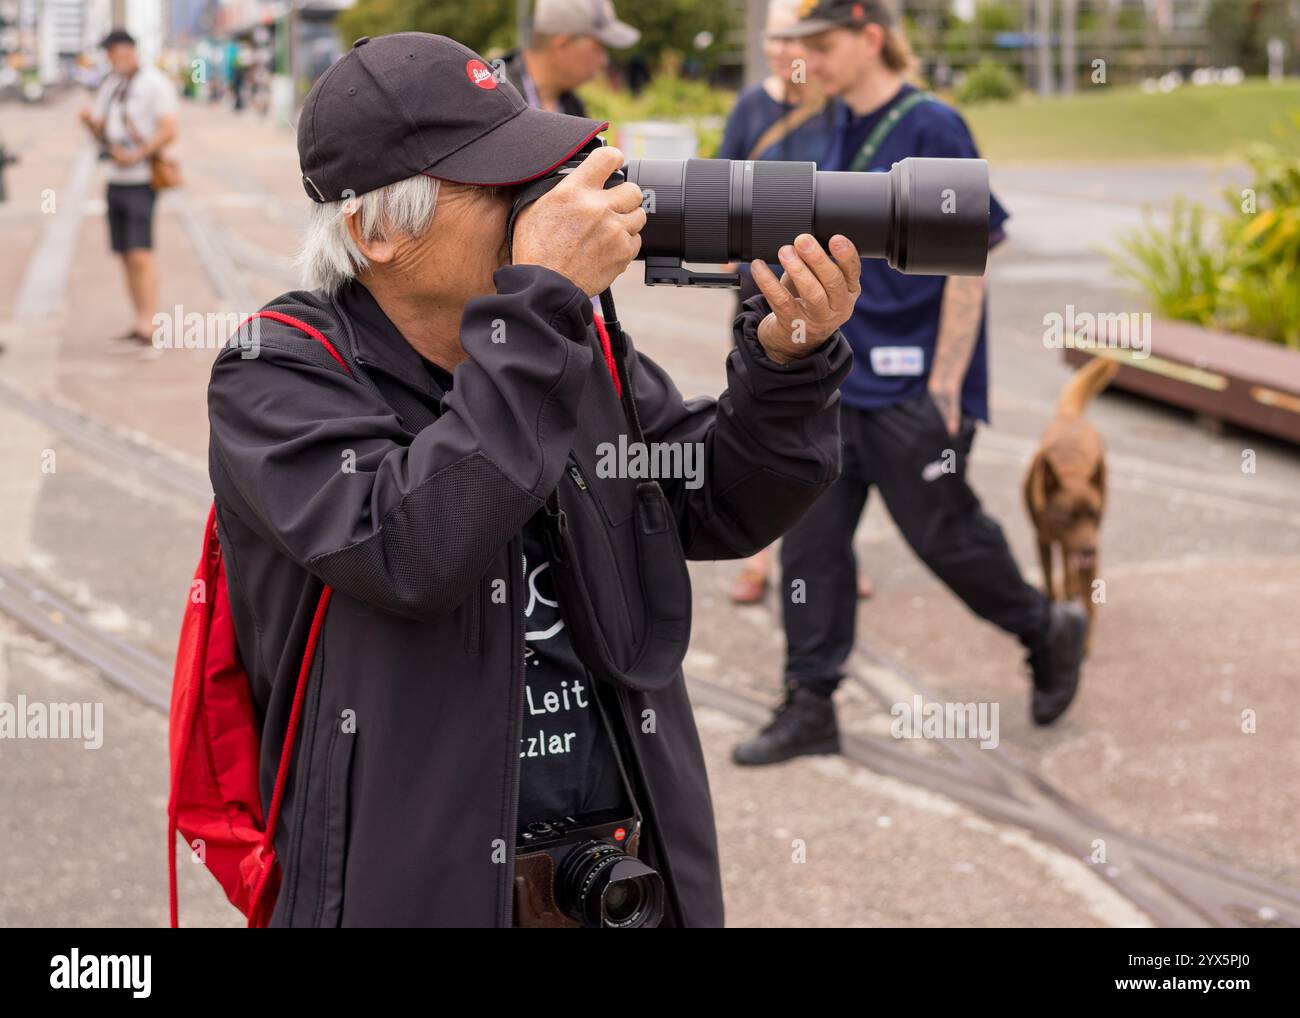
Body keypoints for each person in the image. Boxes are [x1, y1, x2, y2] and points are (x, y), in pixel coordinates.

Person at [206, 32, 859, 926]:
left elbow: (713, 501)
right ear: (376, 230)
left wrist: (786, 364)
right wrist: (542, 303)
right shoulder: (278, 371)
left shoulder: (561, 342)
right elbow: (408, 549)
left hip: (620, 867)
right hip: (419, 886)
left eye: (538, 175)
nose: (545, 203)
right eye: (503, 186)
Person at [732, 0, 1087, 768]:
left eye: (821, 46)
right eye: (800, 47)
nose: (808, 62)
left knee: (946, 539)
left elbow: (974, 248)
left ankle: (1044, 628)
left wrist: (948, 384)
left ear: (869, 38)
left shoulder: (933, 124)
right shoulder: (826, 125)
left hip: (909, 387)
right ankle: (810, 702)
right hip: (833, 381)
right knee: (813, 548)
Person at [717, 0, 869, 606]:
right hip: (760, 290)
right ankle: (756, 556)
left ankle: (826, 557)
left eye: (791, 39)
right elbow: (723, 175)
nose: (781, 51)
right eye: (774, 40)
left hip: (821, 291)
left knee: (819, 425)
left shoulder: (835, 110)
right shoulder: (752, 105)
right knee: (758, 412)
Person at [78, 29, 178, 347]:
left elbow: (169, 130)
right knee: (123, 253)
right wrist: (87, 124)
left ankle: (149, 322)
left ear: (128, 51)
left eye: (113, 52)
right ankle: (138, 319)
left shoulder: (154, 83)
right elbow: (101, 131)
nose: (110, 58)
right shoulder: (111, 84)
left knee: (140, 253)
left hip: (141, 180)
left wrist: (135, 155)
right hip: (115, 179)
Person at [499, 0, 639, 116]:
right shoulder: (495, 98)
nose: (604, 60)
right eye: (598, 47)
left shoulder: (572, 106)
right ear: (562, 44)